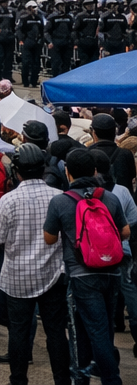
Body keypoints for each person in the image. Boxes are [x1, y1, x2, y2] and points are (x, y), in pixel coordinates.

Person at [43, 146, 129, 385]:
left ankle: (110, 379)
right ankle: (85, 375)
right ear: (94, 171)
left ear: (68, 172)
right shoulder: (109, 197)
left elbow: (49, 238)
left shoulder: (60, 201)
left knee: (93, 331)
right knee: (102, 326)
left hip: (81, 274)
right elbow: (125, 232)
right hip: (111, 271)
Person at [0, 143, 70, 385]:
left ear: (16, 171)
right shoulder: (59, 196)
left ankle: (18, 380)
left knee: (19, 332)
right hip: (53, 275)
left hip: (18, 278)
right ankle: (62, 380)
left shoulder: (8, 200)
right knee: (56, 332)